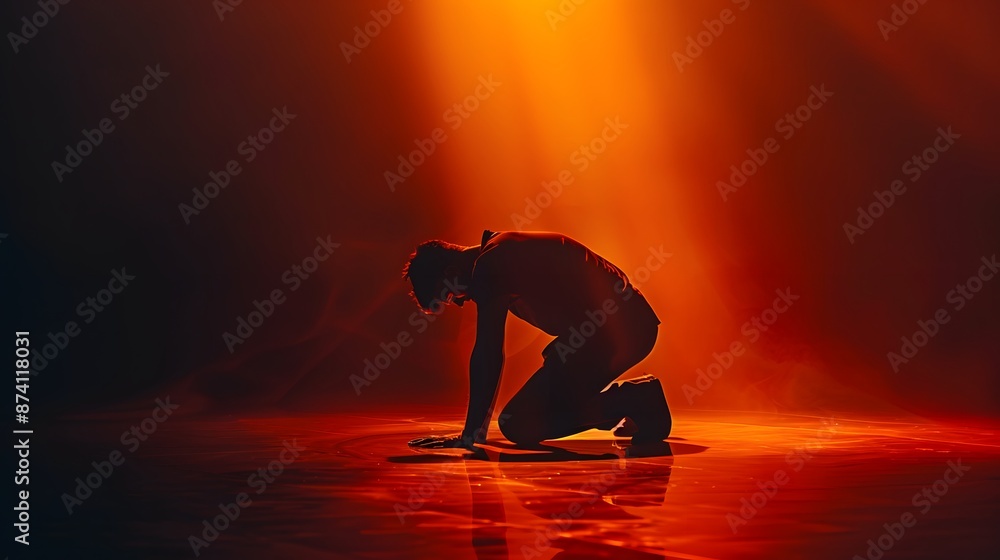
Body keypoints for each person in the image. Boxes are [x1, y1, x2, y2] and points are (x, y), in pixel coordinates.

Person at [403, 230, 670, 450]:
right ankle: (631, 401)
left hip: (624, 331)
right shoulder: (500, 251)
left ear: (451, 272)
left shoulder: (492, 264)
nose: (461, 303)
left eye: (450, 297)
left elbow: (488, 351)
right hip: (625, 329)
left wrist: (470, 435)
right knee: (529, 411)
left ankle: (634, 401)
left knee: (517, 423)